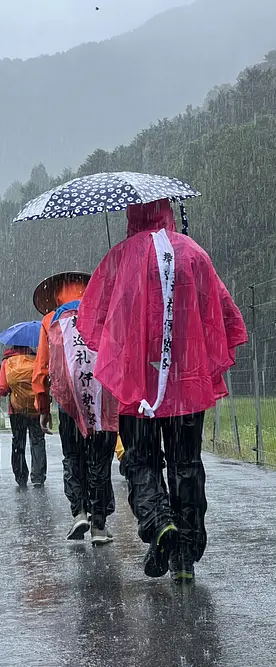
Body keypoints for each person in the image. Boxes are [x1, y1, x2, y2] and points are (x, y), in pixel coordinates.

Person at [77, 199, 248, 581]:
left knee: (142, 461)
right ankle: (185, 553)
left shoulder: (120, 257)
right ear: (168, 210)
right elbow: (222, 312)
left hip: (137, 386)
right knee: (186, 464)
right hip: (187, 383)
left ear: (132, 215)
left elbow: (93, 322)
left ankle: (159, 522)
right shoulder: (193, 253)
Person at [32, 271, 119, 546]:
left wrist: (43, 406)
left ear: (57, 293)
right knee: (100, 458)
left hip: (67, 401)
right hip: (102, 399)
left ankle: (79, 511)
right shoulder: (103, 313)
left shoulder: (51, 320)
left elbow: (42, 369)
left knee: (73, 456)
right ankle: (99, 525)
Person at [0, 345, 47, 488]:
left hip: (16, 411)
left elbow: (3, 389)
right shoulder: (35, 359)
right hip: (35, 409)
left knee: (18, 443)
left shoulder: (7, 362)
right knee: (37, 441)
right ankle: (38, 477)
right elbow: (42, 382)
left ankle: (21, 476)